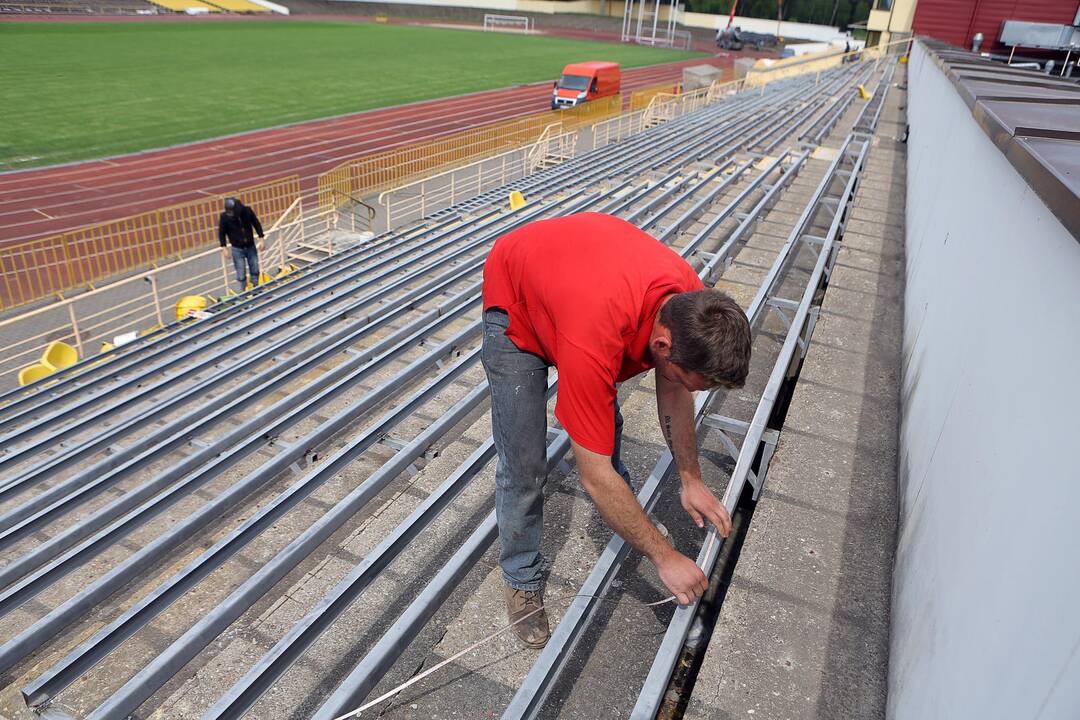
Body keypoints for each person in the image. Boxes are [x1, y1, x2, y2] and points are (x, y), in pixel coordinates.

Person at [481, 212, 752, 649]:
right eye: (689, 378)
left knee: (600, 430)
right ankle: (521, 577)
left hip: (576, 286)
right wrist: (664, 556)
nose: (685, 387)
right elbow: (594, 474)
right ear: (663, 346)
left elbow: (674, 388)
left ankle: (625, 521)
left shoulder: (692, 305)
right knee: (524, 464)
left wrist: (691, 478)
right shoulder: (595, 334)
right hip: (517, 294)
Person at [218, 197, 265, 294]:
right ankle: (243, 293)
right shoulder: (224, 217)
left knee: (255, 269)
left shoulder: (247, 211)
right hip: (237, 248)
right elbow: (222, 232)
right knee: (241, 272)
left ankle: (256, 290)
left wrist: (261, 238)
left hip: (250, 246)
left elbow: (256, 223)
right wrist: (224, 247)